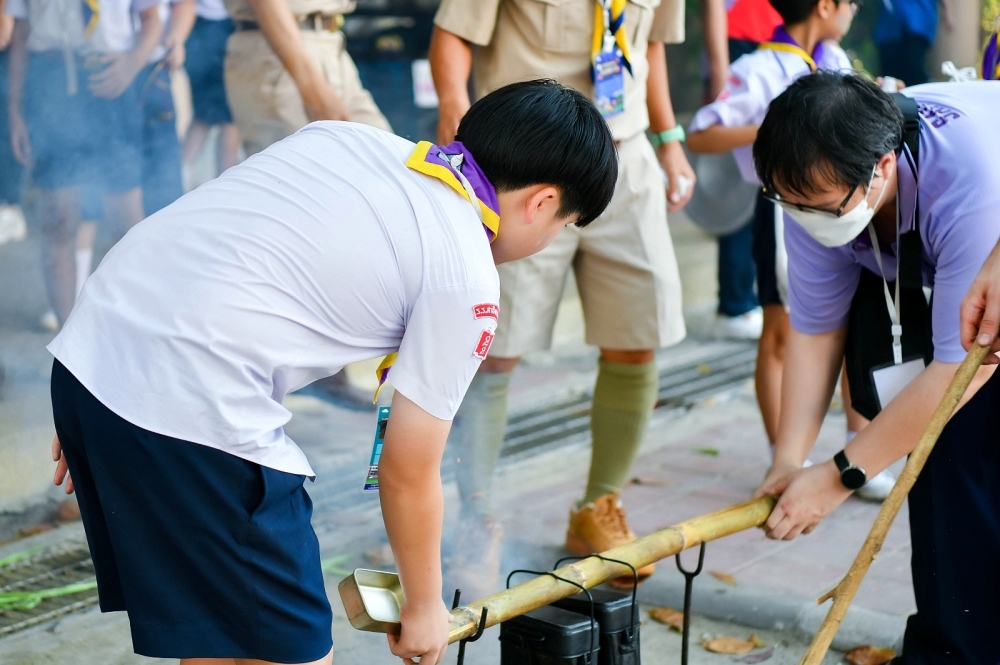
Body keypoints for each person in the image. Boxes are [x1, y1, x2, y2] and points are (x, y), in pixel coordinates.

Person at [47, 79, 618, 665]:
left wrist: (99, 389)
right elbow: (408, 471)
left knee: (218, 634)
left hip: (90, 356)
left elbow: (202, 240)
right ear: (542, 203)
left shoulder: (348, 139)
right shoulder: (466, 277)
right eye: (562, 226)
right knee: (296, 653)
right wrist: (425, 607)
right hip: (187, 405)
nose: (549, 239)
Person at [429, 0, 693, 595]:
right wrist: (457, 124)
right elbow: (452, 34)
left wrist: (670, 138)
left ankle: (598, 505)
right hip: (528, 170)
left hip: (627, 156)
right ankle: (476, 518)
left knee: (636, 336)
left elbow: (650, 45)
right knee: (492, 348)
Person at [752, 72, 1000, 663]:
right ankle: (948, 643)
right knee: (932, 458)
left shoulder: (969, 181)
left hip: (985, 297)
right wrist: (789, 460)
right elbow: (816, 330)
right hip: (939, 292)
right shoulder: (808, 187)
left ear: (883, 166)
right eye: (791, 204)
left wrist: (841, 476)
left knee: (967, 447)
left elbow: (966, 367)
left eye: (822, 208)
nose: (806, 220)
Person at [687, 0, 897, 501]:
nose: (853, 11)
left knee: (858, 323)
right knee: (784, 330)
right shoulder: (757, 67)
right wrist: (780, 132)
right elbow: (702, 133)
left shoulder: (836, 61)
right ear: (824, 6)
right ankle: (784, 457)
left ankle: (859, 449)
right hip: (785, 211)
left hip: (847, 208)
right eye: (850, 3)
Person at [6, 0, 161, 327]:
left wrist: (133, 63)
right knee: (59, 218)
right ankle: (68, 334)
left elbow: (151, 18)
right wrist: (15, 111)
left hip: (112, 80)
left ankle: (137, 327)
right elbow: (20, 33)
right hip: (50, 84)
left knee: (127, 223)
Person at [700, 0, 782, 340]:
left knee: (768, 184)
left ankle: (753, 299)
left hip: (779, 48)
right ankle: (734, 303)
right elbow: (714, 6)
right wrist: (721, 80)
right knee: (739, 187)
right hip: (741, 48)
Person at [222, 0, 390, 156]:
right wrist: (310, 87)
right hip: (282, 52)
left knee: (389, 161)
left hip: (331, 42)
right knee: (298, 173)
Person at [139, 0, 195, 216]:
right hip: (90, 73)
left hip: (152, 73)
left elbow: (184, 4)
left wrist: (177, 38)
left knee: (163, 180)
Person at [181, 0, 240, 181]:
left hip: (203, 27)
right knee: (227, 118)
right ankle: (224, 183)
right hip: (212, 25)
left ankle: (182, 174)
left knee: (209, 115)